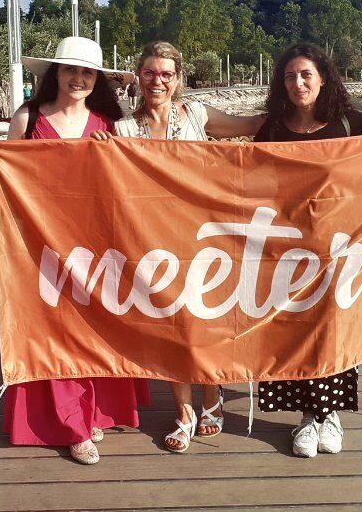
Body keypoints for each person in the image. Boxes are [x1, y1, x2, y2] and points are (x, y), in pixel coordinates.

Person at [0, 36, 149, 466]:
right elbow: (7, 175)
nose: (79, 79)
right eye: (71, 70)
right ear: (55, 74)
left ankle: (92, 410)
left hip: (95, 244)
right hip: (39, 244)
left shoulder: (109, 121)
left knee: (94, 328)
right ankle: (73, 427)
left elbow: (131, 183)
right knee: (53, 330)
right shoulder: (27, 117)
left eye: (87, 72)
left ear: (97, 79)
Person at [92, 41, 264, 453]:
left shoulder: (197, 115)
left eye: (166, 74)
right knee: (171, 323)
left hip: (203, 233)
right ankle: (185, 411)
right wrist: (97, 149)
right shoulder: (123, 130)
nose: (158, 81)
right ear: (138, 76)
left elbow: (249, 125)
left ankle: (213, 395)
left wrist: (311, 114)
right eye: (150, 72)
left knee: (205, 319)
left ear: (177, 78)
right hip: (153, 238)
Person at [253, 43, 362, 458]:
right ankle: (305, 416)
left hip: (339, 244)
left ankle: (329, 414)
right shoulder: (273, 128)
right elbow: (243, 174)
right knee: (292, 329)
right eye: (289, 76)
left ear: (322, 79)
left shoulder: (347, 123)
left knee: (334, 328)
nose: (297, 83)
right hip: (286, 247)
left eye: (305, 75)